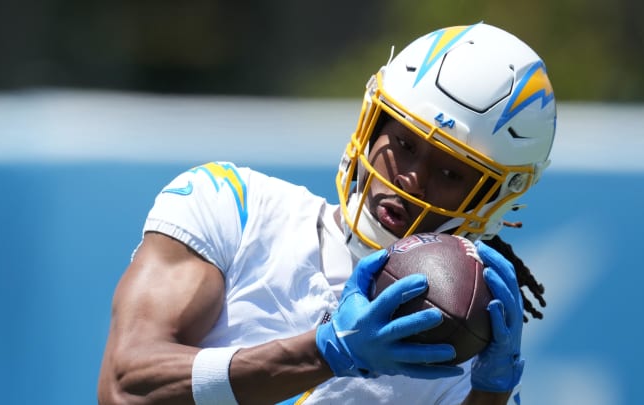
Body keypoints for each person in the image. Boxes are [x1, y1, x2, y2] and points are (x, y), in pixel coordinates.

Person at [97, 22, 556, 405]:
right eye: (404, 144)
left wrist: (491, 393)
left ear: (495, 196)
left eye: (452, 173)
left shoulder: (464, 349)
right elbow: (124, 387)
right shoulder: (232, 204)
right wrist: (326, 351)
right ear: (372, 125)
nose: (411, 178)